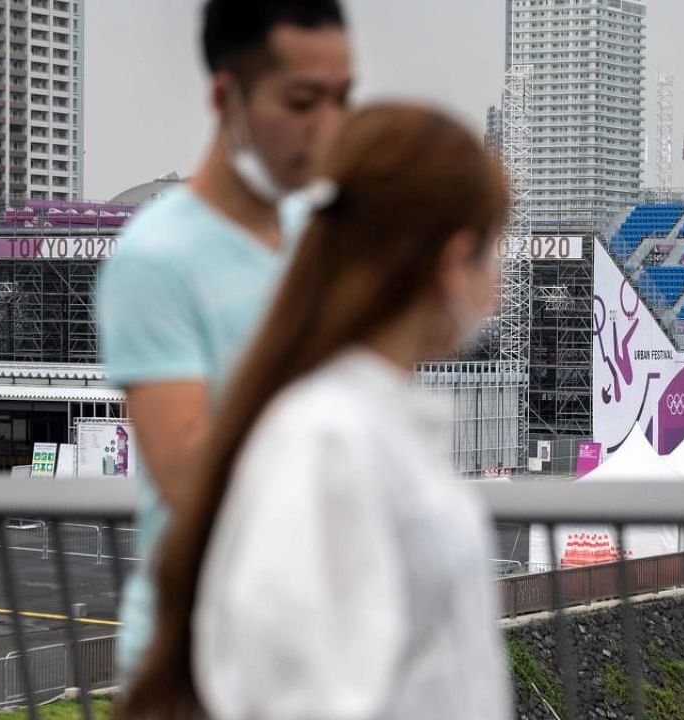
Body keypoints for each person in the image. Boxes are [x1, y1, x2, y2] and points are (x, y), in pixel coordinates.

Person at [123, 104, 513, 719]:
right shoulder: (329, 436)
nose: (496, 280)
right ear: (452, 261)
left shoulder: (349, 423)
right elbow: (297, 690)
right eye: (492, 252)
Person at [96, 0, 351, 676]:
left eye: (341, 99)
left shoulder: (318, 236)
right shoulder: (155, 258)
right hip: (198, 659)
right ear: (224, 96)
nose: (328, 126)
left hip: (316, 648)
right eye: (302, 101)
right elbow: (188, 475)